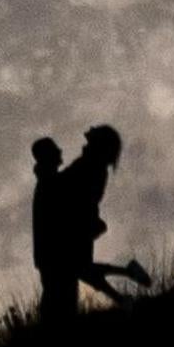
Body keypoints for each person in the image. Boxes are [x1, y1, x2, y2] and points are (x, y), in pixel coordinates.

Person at [57, 124, 151, 309]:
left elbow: (72, 190)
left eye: (90, 141)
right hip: (81, 222)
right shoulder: (93, 165)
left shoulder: (90, 165)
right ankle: (122, 293)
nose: (86, 144)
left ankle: (123, 287)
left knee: (78, 268)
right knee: (81, 269)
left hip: (78, 223)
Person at [32, 137, 78, 324]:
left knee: (57, 302)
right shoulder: (51, 184)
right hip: (57, 257)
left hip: (52, 257)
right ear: (48, 156)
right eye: (55, 149)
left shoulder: (49, 183)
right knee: (60, 306)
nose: (60, 151)